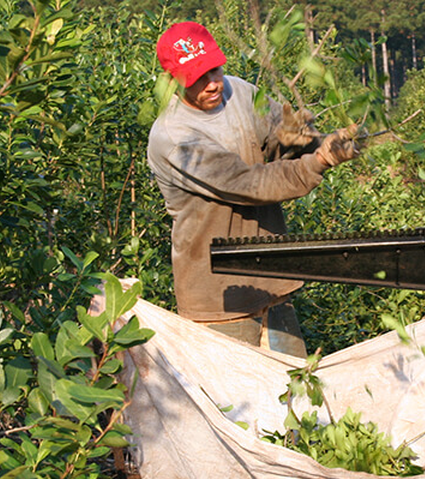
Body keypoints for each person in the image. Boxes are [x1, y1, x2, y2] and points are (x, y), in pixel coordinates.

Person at [146, 21, 358, 357]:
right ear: (175, 80)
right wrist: (318, 161)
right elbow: (249, 183)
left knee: (296, 392)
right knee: (233, 406)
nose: (213, 84)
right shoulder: (174, 137)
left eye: (214, 69)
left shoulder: (240, 92)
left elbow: (278, 146)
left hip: (271, 279)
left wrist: (298, 142)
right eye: (198, 77)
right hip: (218, 297)